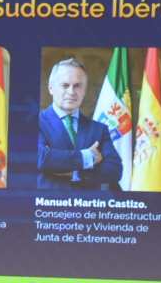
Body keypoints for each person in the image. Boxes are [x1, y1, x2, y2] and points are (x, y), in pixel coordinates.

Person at [37, 57, 123, 190]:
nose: (71, 92)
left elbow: (115, 170)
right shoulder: (35, 123)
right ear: (51, 88)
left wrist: (76, 173)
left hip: (86, 207)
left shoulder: (99, 129)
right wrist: (87, 157)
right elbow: (41, 158)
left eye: (77, 86)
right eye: (65, 85)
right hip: (47, 207)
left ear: (84, 91)